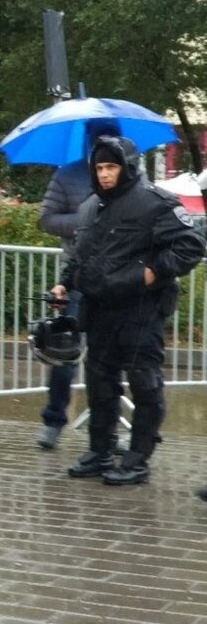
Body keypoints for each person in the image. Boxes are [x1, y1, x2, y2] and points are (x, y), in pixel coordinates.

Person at [55, 135, 205, 485]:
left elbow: (190, 246)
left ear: (126, 167)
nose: (105, 174)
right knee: (100, 383)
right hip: (100, 308)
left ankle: (137, 458)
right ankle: (100, 449)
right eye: (100, 167)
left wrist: (152, 272)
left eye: (111, 167)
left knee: (144, 383)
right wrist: (64, 283)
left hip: (142, 309)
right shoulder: (91, 206)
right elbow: (81, 253)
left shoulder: (155, 203)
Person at [35, 121, 118, 449]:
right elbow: (47, 219)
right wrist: (86, 222)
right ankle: (54, 418)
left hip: (116, 278)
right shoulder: (67, 175)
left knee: (109, 357)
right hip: (77, 276)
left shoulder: (128, 178)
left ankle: (105, 429)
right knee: (64, 351)